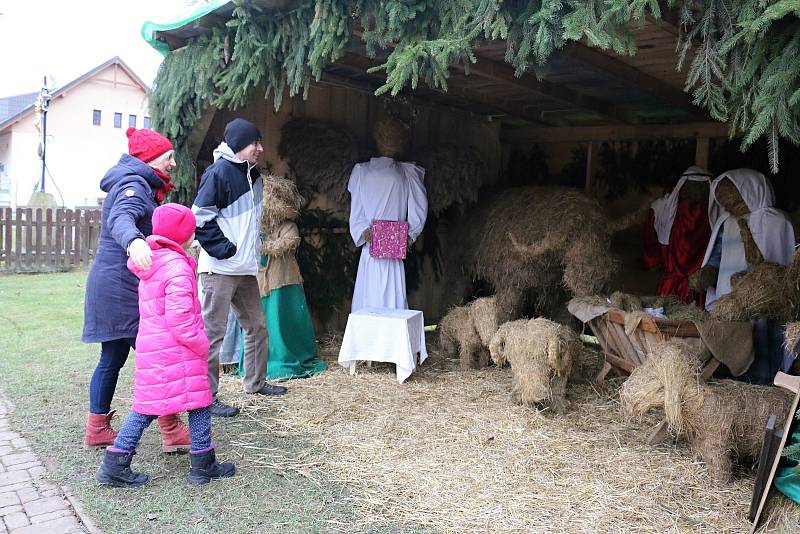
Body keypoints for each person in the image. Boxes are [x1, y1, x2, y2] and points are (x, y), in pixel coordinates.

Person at [96, 203, 235, 487]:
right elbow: (180, 318)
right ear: (183, 235)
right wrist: (201, 344)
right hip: (178, 350)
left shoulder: (154, 262)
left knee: (178, 404)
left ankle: (201, 463)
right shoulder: (177, 267)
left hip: (156, 349)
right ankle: (117, 464)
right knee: (178, 405)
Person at [82, 127, 190, 450]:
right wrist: (133, 241)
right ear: (152, 158)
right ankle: (170, 429)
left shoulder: (138, 183)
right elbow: (121, 219)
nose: (173, 164)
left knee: (112, 356)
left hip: (112, 283)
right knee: (160, 354)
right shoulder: (134, 185)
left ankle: (97, 427)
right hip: (120, 288)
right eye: (169, 157)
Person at [192, 118, 286, 418]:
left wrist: (247, 253)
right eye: (254, 143)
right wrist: (225, 250)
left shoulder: (254, 175)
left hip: (245, 270)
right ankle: (206, 397)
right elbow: (200, 219)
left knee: (257, 326)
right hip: (218, 269)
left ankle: (256, 383)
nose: (260, 148)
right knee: (212, 334)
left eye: (259, 142)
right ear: (238, 145)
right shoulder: (217, 173)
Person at [238, 175, 326, 381]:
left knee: (281, 321)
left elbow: (289, 242)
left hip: (283, 283)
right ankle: (258, 362)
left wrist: (266, 246)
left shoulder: (287, 226)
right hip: (258, 283)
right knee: (260, 322)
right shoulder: (253, 226)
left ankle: (284, 357)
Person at [348, 117, 428, 311]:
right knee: (371, 296)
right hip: (373, 250)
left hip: (393, 250)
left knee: (391, 298)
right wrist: (365, 232)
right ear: (378, 137)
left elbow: (418, 210)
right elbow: (357, 214)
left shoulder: (408, 173)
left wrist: (409, 236)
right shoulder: (362, 172)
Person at [692, 168, 795, 310]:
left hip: (764, 299)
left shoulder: (776, 221)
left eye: (735, 203)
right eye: (725, 204)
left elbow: (783, 267)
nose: (729, 209)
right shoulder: (726, 222)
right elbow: (718, 254)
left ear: (750, 193)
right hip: (727, 298)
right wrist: (709, 272)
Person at [641, 166, 712, 306]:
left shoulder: (661, 210)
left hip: (673, 289)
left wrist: (656, 263)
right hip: (700, 292)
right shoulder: (715, 214)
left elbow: (650, 244)